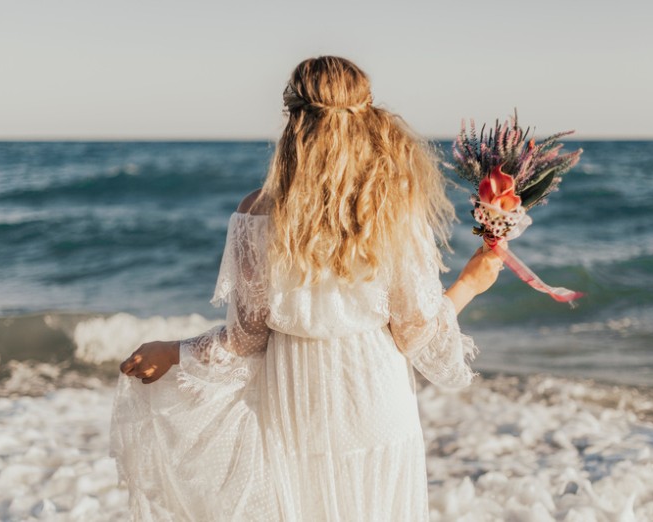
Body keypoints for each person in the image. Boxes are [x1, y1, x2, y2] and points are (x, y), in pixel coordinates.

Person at [110, 56, 502, 521]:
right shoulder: (391, 208)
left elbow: (246, 340)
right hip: (378, 406)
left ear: (292, 121)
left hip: (297, 410)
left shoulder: (257, 213)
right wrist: (469, 284)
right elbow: (414, 331)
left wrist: (174, 352)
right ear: (366, 117)